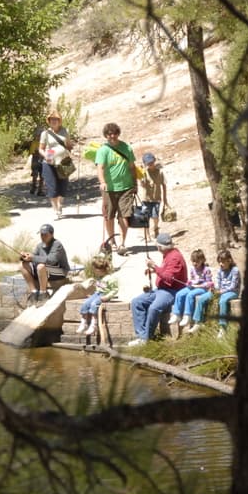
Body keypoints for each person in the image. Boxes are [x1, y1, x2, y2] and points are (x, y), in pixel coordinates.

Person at [126, 232, 187, 346]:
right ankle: (141, 336)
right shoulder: (168, 254)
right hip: (161, 289)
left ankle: (146, 339)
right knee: (136, 302)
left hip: (171, 291)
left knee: (154, 308)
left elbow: (169, 278)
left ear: (160, 246)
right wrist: (154, 271)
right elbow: (166, 271)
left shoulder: (175, 258)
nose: (157, 249)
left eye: (157, 247)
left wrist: (154, 266)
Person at [95, 122, 137, 256]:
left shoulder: (126, 148)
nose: (112, 136)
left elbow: (132, 167)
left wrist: (135, 183)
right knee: (109, 216)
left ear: (118, 133)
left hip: (126, 187)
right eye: (109, 134)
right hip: (109, 189)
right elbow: (100, 168)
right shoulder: (103, 150)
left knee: (124, 215)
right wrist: (102, 182)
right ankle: (112, 241)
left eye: (114, 133)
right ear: (106, 135)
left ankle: (122, 243)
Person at [19, 223, 70, 303]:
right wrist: (25, 257)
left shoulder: (57, 244)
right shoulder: (39, 245)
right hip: (45, 270)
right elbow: (34, 257)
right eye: (41, 235)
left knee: (41, 266)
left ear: (52, 234)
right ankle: (34, 292)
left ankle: (43, 293)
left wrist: (33, 257)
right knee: (22, 265)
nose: (43, 237)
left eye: (45, 235)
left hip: (60, 271)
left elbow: (51, 260)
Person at [38, 111, 74, 218]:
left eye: (56, 119)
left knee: (63, 185)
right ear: (49, 121)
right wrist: (45, 156)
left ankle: (60, 204)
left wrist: (73, 151)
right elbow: (41, 149)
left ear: (59, 121)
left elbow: (68, 145)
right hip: (49, 162)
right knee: (51, 186)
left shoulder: (65, 131)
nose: (54, 121)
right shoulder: (45, 133)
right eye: (51, 119)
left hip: (64, 161)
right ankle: (55, 209)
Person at [170, 248, 214, 330]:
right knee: (179, 293)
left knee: (190, 295)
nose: (194, 263)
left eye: (197, 261)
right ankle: (176, 314)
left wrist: (198, 286)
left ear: (202, 260)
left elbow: (209, 283)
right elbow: (192, 279)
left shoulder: (206, 270)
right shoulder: (192, 269)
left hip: (202, 288)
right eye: (193, 261)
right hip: (193, 286)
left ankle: (188, 315)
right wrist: (189, 283)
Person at [77, 254, 115, 335]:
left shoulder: (110, 278)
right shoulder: (99, 277)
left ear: (100, 270)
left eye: (95, 270)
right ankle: (83, 323)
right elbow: (100, 287)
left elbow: (114, 290)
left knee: (94, 304)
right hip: (97, 294)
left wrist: (107, 297)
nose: (94, 272)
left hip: (104, 295)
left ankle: (93, 324)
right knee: (86, 303)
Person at [210, 249, 242, 337]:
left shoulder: (235, 270)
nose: (221, 264)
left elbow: (233, 286)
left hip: (233, 292)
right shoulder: (220, 270)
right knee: (208, 296)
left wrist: (222, 291)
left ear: (229, 260)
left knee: (223, 300)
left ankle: (222, 326)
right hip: (223, 291)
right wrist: (215, 289)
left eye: (223, 262)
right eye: (219, 262)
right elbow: (218, 283)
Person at [138, 152, 169, 237]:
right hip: (146, 199)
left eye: (151, 162)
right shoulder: (144, 173)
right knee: (146, 217)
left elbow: (164, 185)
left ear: (154, 161)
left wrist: (165, 198)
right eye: (148, 163)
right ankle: (147, 234)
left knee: (155, 216)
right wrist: (141, 179)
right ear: (145, 164)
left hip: (156, 199)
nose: (150, 164)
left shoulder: (160, 172)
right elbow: (142, 185)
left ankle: (155, 228)